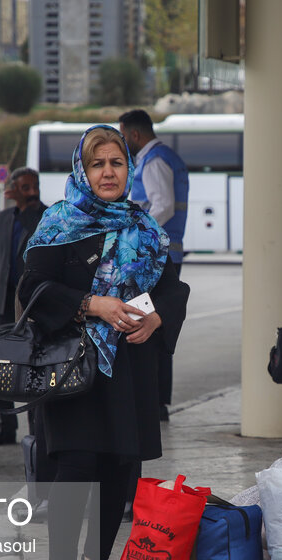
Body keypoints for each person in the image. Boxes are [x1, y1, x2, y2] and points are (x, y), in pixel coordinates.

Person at [19, 125, 189, 560]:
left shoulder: (144, 226)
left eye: (116, 162)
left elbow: (171, 287)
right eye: (98, 164)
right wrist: (93, 304)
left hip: (129, 363)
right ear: (83, 170)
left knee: (121, 464)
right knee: (77, 463)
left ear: (128, 169)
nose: (108, 171)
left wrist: (156, 314)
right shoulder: (60, 222)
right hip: (74, 363)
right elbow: (32, 288)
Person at [118, 109, 189, 422]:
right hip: (162, 257)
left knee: (152, 328)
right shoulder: (159, 157)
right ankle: (156, 400)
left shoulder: (154, 160)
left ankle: (155, 401)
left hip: (157, 261)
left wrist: (136, 234)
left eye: (123, 136)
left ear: (135, 134)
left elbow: (162, 206)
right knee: (153, 326)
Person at [0, 166, 47, 446]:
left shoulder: (46, 216)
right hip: (3, 302)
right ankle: (5, 426)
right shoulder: (2, 218)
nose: (32, 193)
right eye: (25, 188)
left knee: (33, 363)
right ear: (13, 191)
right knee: (2, 363)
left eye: (35, 187)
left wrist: (31, 211)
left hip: (31, 304)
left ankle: (36, 427)